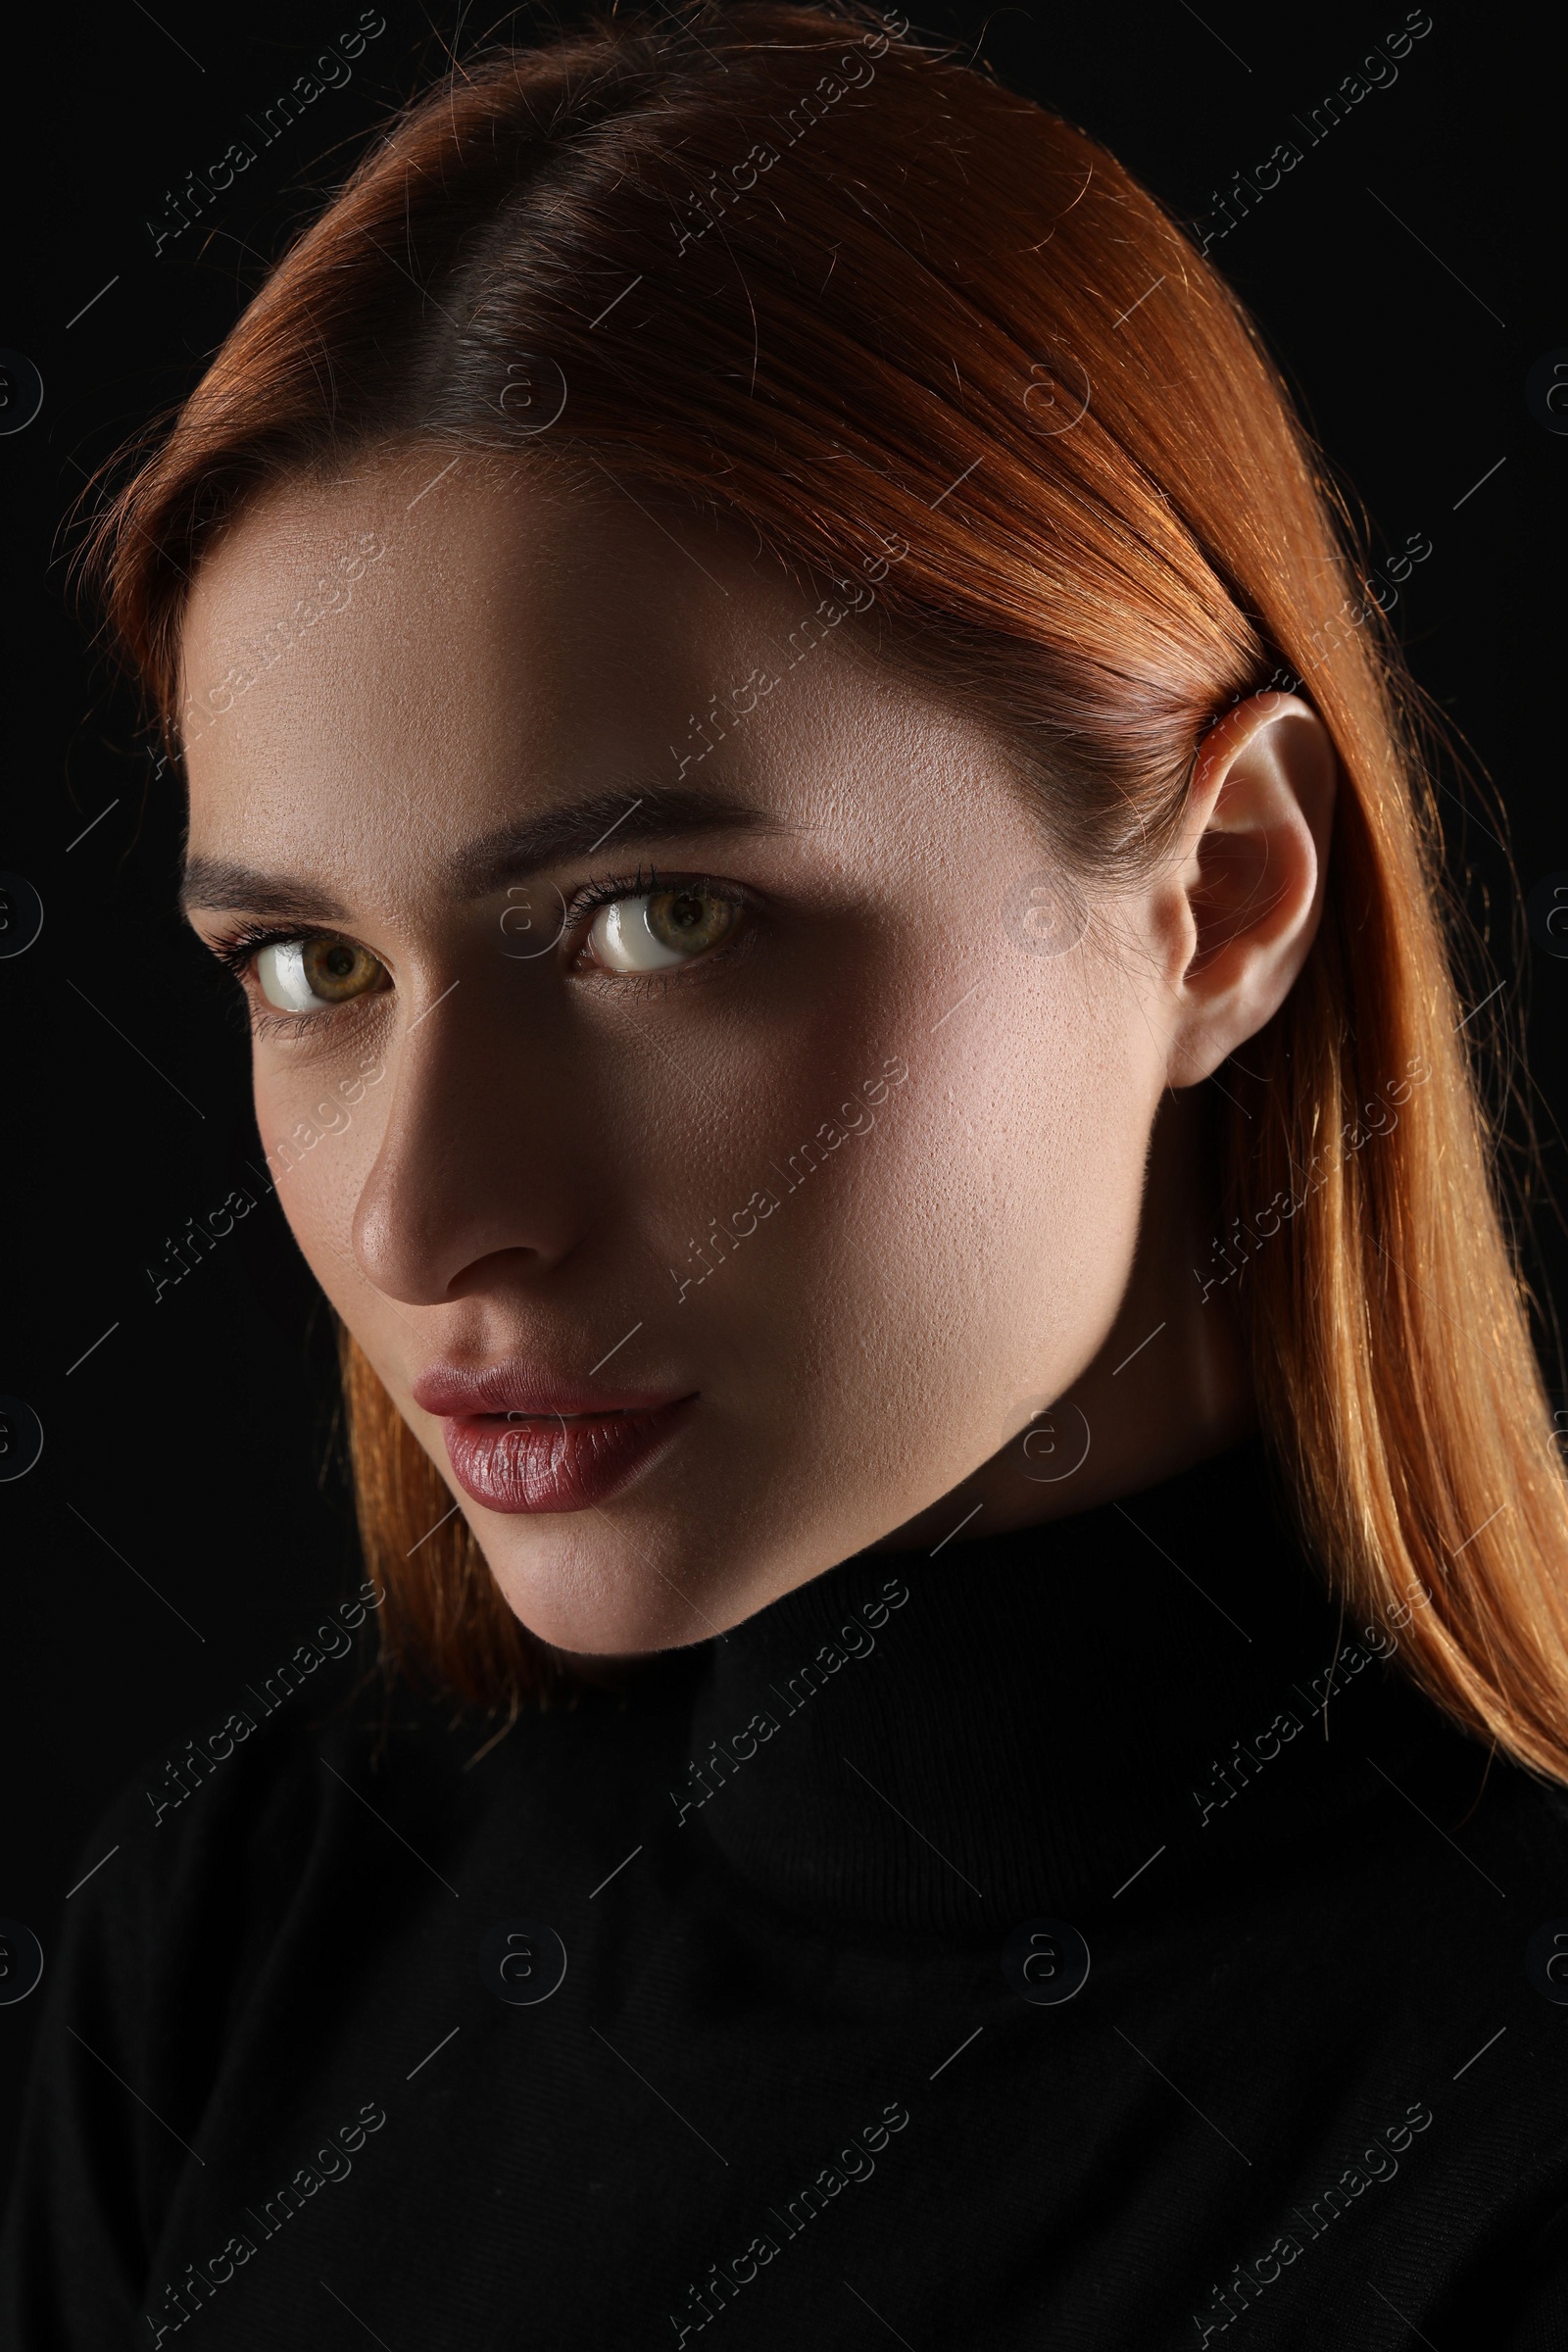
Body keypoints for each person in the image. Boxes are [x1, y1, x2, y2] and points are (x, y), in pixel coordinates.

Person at [5, 4, 1566, 2344]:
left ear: (1220, 897)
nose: (427, 1226)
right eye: (313, 964)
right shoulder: (249, 1942)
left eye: (660, 923)